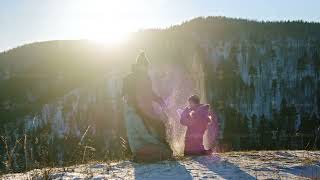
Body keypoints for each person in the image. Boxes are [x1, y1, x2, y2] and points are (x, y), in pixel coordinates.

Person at [122, 52, 172, 162]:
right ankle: (148, 150)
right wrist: (131, 101)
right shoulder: (130, 78)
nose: (145, 68)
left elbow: (149, 92)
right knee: (143, 128)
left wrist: (158, 99)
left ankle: (161, 147)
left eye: (146, 66)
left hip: (146, 108)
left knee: (159, 125)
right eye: (144, 66)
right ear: (139, 65)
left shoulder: (146, 77)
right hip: (138, 107)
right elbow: (126, 94)